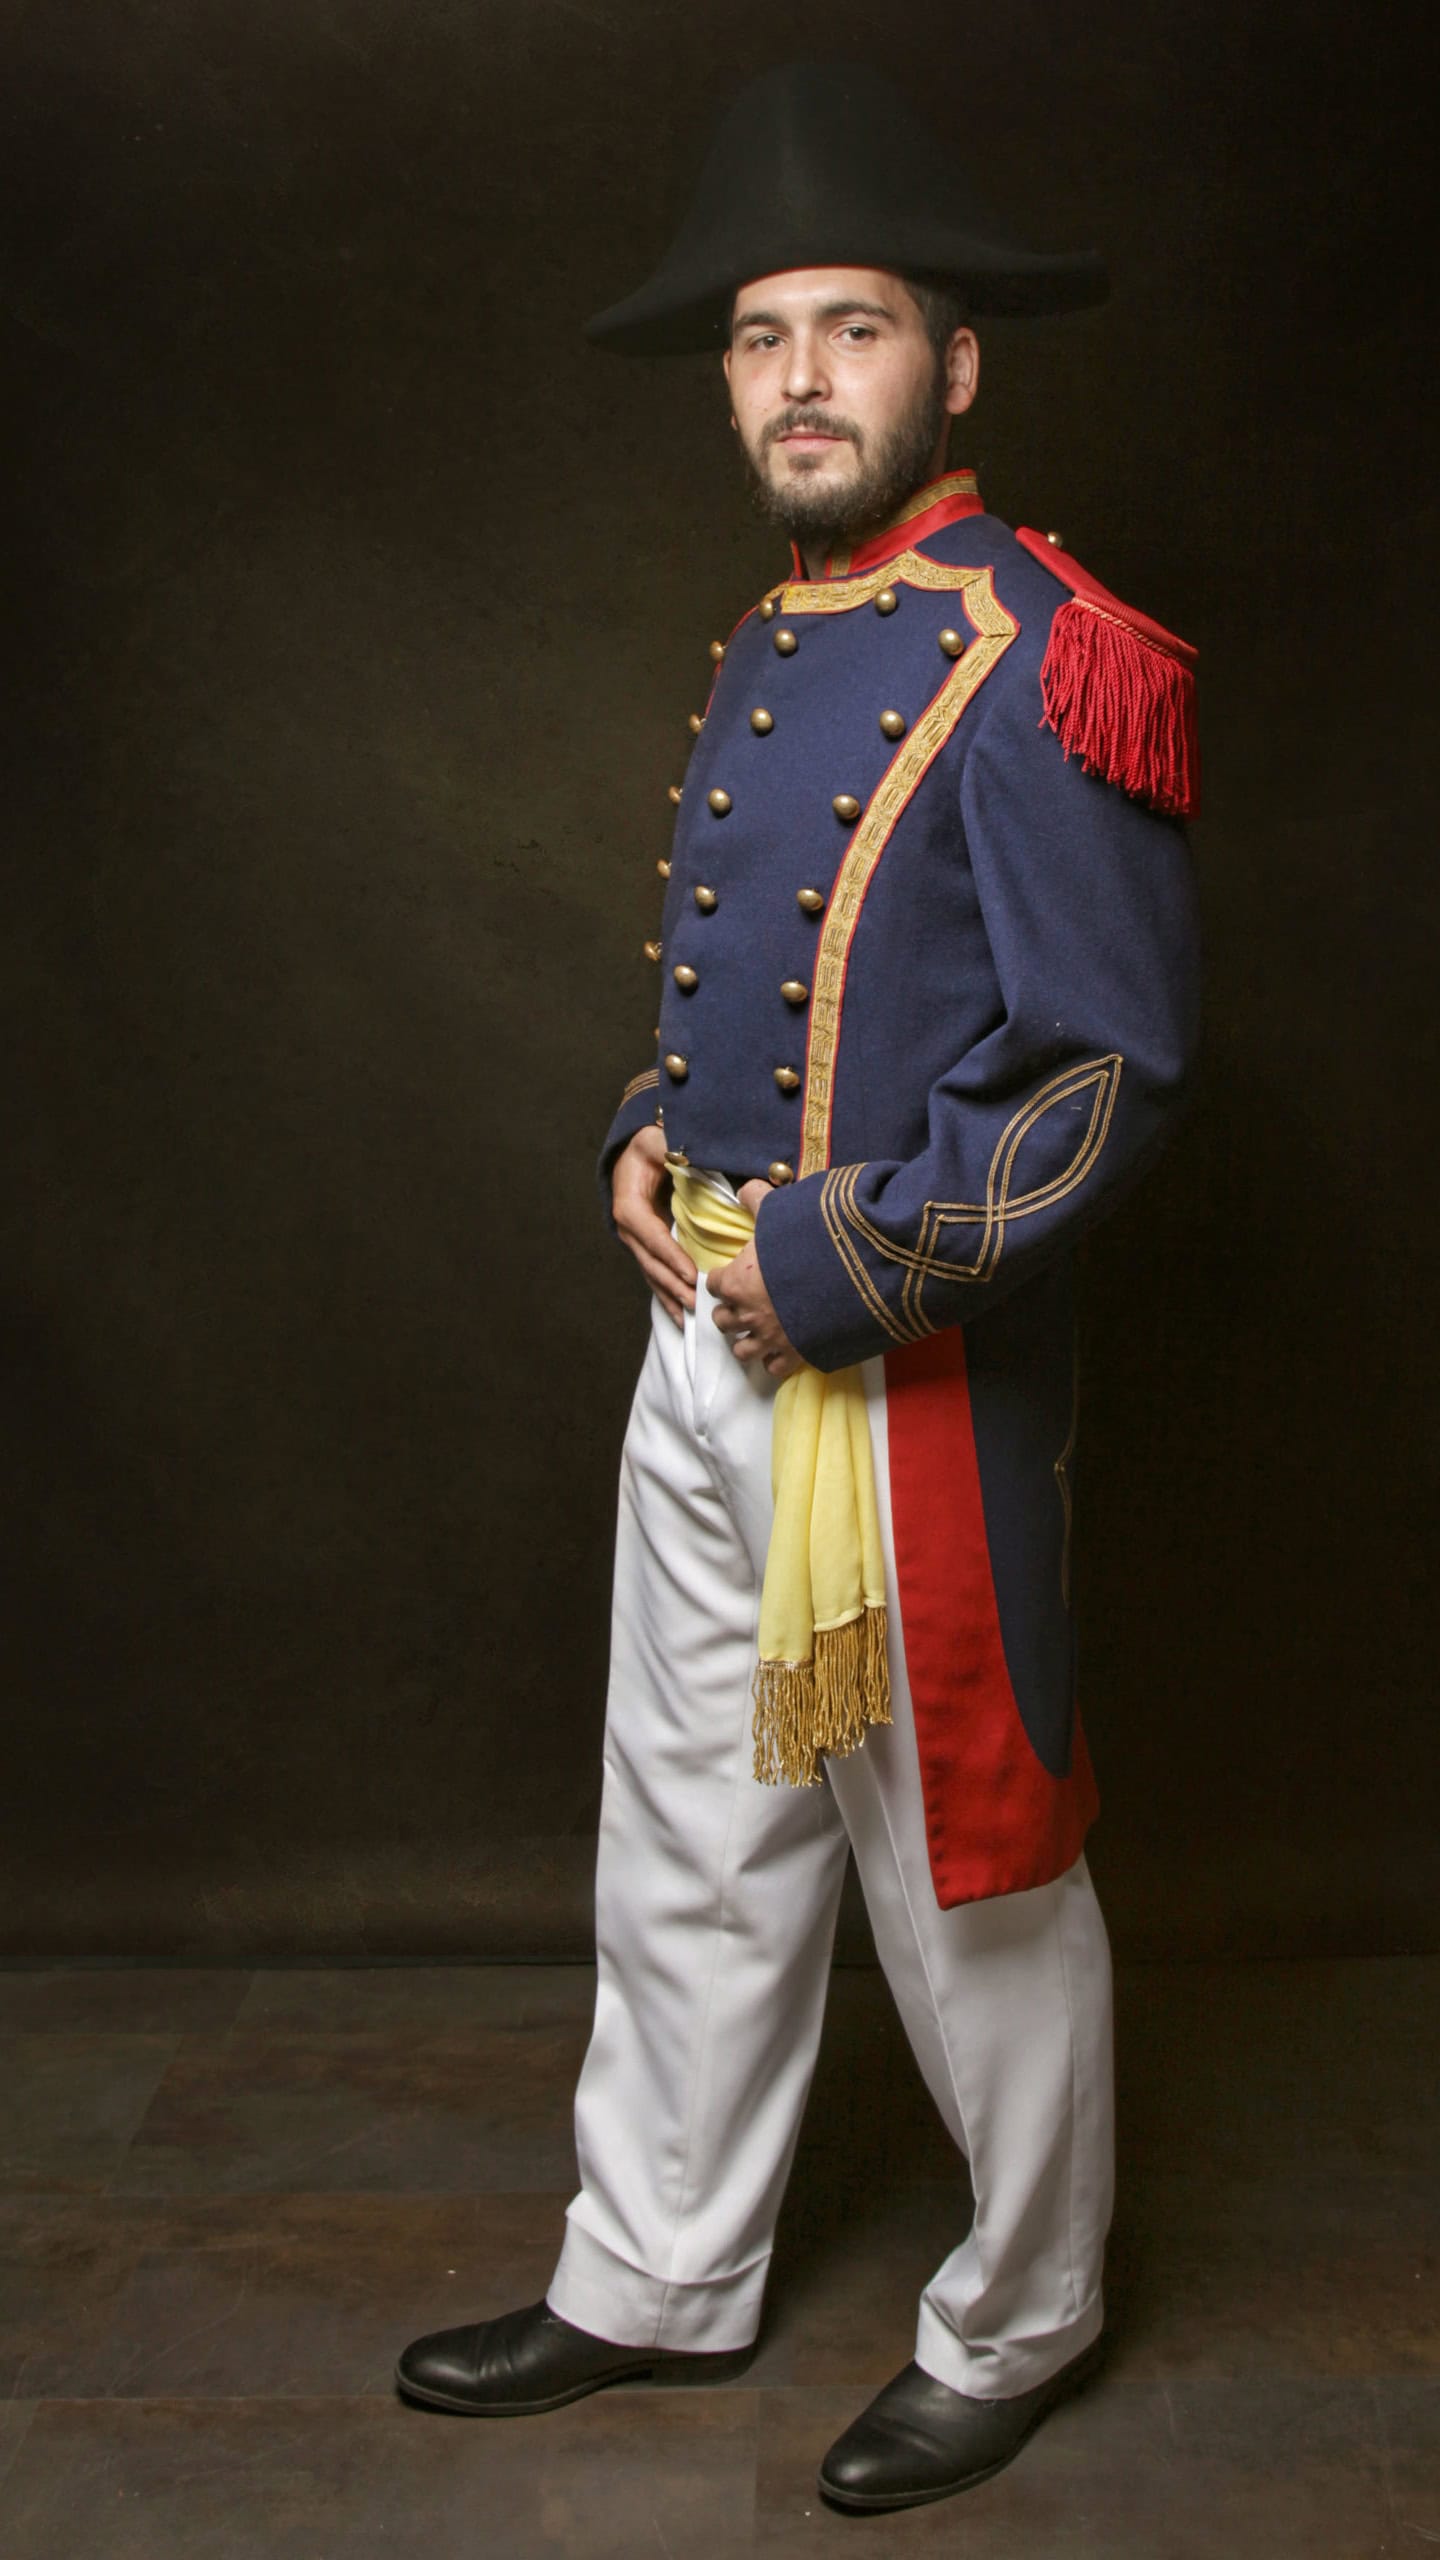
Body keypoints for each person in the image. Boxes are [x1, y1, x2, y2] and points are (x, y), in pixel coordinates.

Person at [396, 59, 1201, 2515]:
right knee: (684, 1831)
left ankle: (1024, 2309)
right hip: (704, 1332)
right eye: (762, 337)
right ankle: (653, 2267)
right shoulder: (773, 636)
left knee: (967, 1870)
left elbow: (1109, 1064)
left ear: (955, 361)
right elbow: (768, 991)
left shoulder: (1047, 649)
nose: (800, 377)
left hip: (895, 1362)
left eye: (852, 326)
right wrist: (653, 1126)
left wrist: (846, 1267)